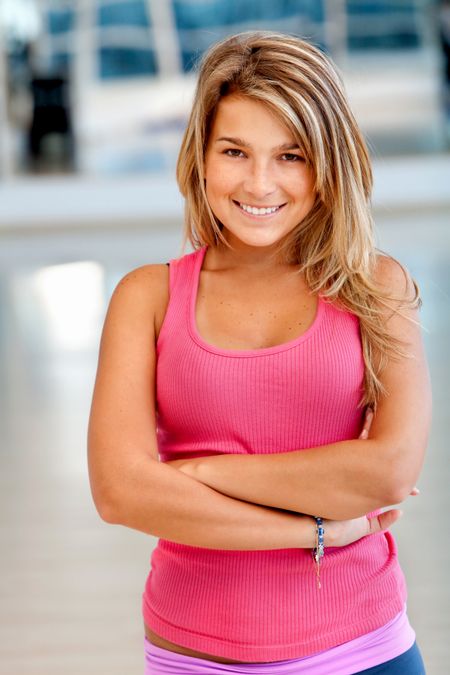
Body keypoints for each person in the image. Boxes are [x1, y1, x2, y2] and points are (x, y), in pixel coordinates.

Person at [87, 32, 431, 674]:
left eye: (291, 155)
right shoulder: (148, 297)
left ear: (328, 164)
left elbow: (386, 472)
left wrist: (201, 474)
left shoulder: (377, 288)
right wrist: (317, 529)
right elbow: (121, 492)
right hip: (193, 657)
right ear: (202, 159)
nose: (260, 182)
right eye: (235, 151)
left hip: (362, 652)